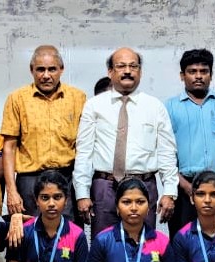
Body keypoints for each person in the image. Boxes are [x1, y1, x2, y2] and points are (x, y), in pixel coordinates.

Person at [74, 47, 178, 236]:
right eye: (121, 66)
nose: (128, 71)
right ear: (110, 72)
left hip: (143, 188)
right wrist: (82, 193)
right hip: (105, 187)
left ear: (140, 72)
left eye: (133, 66)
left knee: (144, 248)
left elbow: (167, 152)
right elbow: (84, 152)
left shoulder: (154, 107)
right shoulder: (94, 105)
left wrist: (170, 191)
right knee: (103, 245)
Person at [164, 48, 215, 240]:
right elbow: (162, 154)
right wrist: (185, 186)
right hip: (184, 189)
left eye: (204, 71)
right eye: (192, 72)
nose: (198, 76)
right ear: (182, 76)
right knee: (184, 244)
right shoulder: (169, 108)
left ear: (211, 74)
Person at [1, 45, 87, 221]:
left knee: (68, 237)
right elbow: (9, 148)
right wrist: (11, 191)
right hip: (29, 180)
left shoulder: (78, 98)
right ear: (31, 70)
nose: (46, 75)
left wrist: (84, 190)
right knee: (30, 235)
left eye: (52, 69)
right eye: (40, 69)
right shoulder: (17, 99)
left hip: (67, 179)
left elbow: (84, 146)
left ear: (61, 69)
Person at [86, 178, 177, 262]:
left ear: (148, 207)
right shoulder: (102, 240)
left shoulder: (161, 241)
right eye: (126, 202)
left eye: (140, 202)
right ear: (117, 208)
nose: (134, 208)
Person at [4, 170, 89, 262]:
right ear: (36, 201)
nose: (51, 204)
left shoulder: (77, 235)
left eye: (57, 197)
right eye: (45, 198)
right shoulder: (22, 232)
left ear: (66, 200)